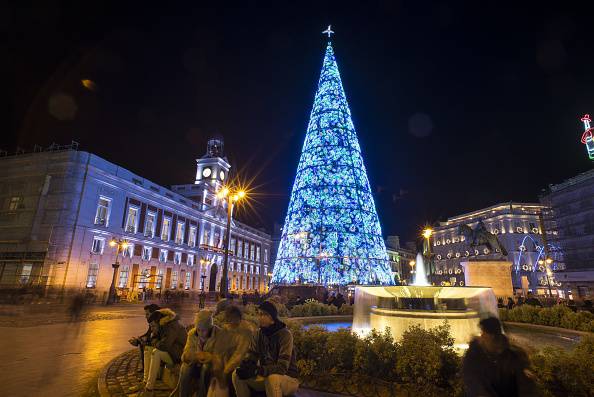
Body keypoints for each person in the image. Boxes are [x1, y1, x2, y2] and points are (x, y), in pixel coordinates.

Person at [233, 301, 299, 397]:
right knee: (237, 375)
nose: (260, 317)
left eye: (263, 315)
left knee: (273, 379)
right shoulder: (258, 334)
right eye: (259, 314)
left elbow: (282, 368)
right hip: (266, 376)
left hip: (288, 379)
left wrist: (257, 370)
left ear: (272, 318)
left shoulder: (285, 335)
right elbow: (252, 355)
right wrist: (246, 365)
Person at [462, 317, 539, 397]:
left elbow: (524, 385)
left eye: (483, 333)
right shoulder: (474, 355)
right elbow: (471, 382)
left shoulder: (512, 356)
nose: (481, 336)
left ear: (491, 336)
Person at [177, 310, 238, 397]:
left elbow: (224, 357)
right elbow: (185, 355)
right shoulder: (192, 334)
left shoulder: (219, 334)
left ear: (210, 328)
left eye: (203, 330)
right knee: (185, 368)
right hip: (196, 365)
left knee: (206, 368)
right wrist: (194, 356)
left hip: (211, 368)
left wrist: (210, 357)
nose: (201, 333)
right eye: (198, 330)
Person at [139, 308, 187, 396]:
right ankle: (146, 381)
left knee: (156, 353)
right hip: (171, 351)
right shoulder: (164, 326)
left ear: (159, 322)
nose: (152, 328)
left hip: (178, 354)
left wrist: (155, 342)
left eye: (153, 326)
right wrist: (153, 338)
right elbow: (158, 342)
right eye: (151, 326)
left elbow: (165, 345)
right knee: (147, 349)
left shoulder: (172, 326)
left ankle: (149, 389)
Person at [129, 304, 161, 372]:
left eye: (147, 314)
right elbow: (148, 334)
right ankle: (145, 368)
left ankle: (146, 370)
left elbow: (158, 337)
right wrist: (138, 340)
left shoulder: (159, 322)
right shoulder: (153, 321)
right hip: (157, 343)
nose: (145, 317)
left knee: (145, 345)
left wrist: (146, 340)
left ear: (153, 314)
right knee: (142, 344)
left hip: (162, 345)